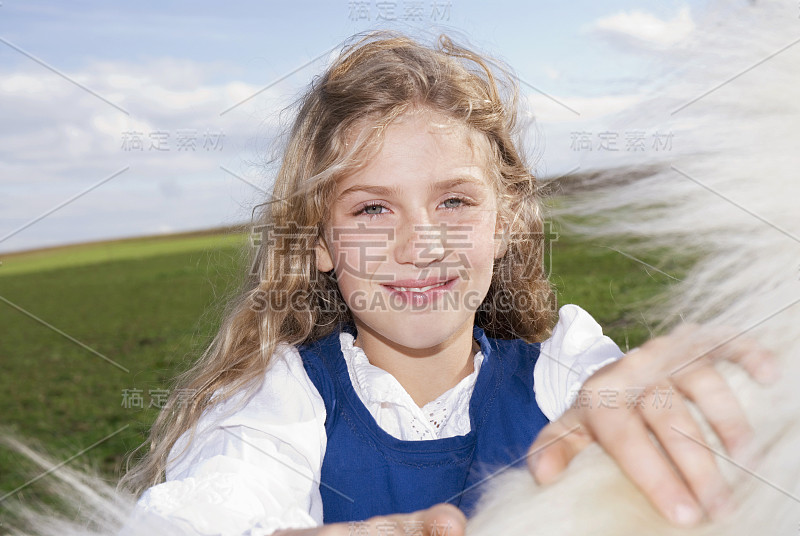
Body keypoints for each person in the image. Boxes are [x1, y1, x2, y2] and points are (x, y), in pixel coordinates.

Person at [119, 32, 777, 536]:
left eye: (455, 202)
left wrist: (703, 391)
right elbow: (191, 519)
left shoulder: (566, 373)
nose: (420, 244)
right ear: (319, 242)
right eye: (372, 209)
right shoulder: (282, 402)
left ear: (506, 223)